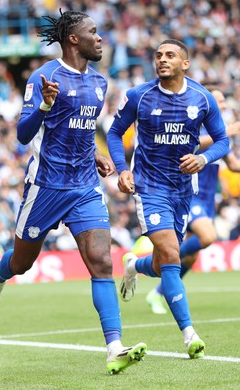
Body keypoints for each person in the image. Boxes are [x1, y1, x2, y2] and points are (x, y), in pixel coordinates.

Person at [0, 10, 147, 375]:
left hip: (84, 185)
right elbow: (24, 135)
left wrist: (97, 154)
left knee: (101, 261)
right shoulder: (44, 77)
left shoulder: (100, 83)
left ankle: (114, 347)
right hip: (46, 186)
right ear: (74, 39)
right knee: (23, 263)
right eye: (93, 32)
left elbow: (80, 132)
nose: (100, 37)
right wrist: (43, 105)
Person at [107, 39, 230, 359]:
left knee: (163, 262)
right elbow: (113, 133)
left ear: (184, 63)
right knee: (173, 259)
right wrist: (122, 169)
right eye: (158, 55)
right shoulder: (138, 95)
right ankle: (190, 335)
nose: (162, 59)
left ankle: (135, 265)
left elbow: (222, 142)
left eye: (170, 55)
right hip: (149, 188)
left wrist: (203, 160)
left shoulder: (202, 98)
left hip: (182, 191)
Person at [146, 89, 240, 315]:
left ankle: (158, 293)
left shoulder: (219, 134)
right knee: (207, 237)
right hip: (189, 192)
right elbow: (191, 144)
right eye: (218, 101)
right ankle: (155, 262)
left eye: (223, 102)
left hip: (207, 199)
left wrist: (224, 134)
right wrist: (226, 132)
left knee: (191, 256)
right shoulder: (194, 123)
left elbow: (234, 165)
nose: (223, 105)